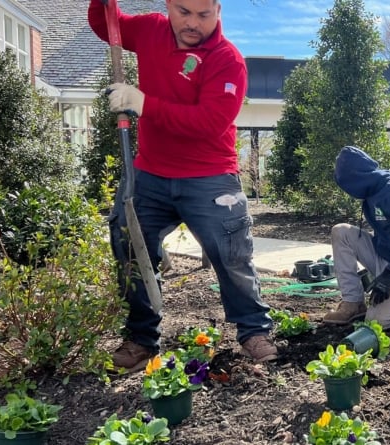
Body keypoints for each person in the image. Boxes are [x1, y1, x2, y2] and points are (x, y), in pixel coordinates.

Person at [88, 0, 277, 372]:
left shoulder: (227, 60)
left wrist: (144, 103)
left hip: (209, 175)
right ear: (168, 6)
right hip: (150, 175)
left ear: (218, 11)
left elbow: (208, 122)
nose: (193, 23)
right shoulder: (150, 30)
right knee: (130, 246)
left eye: (204, 15)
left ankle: (253, 331)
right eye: (183, 11)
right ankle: (142, 339)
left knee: (231, 254)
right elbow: (106, 23)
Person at [324, 146, 390, 329]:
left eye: (347, 184)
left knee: (376, 322)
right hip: (384, 254)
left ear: (357, 178)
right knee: (341, 231)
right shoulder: (371, 189)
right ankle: (353, 303)